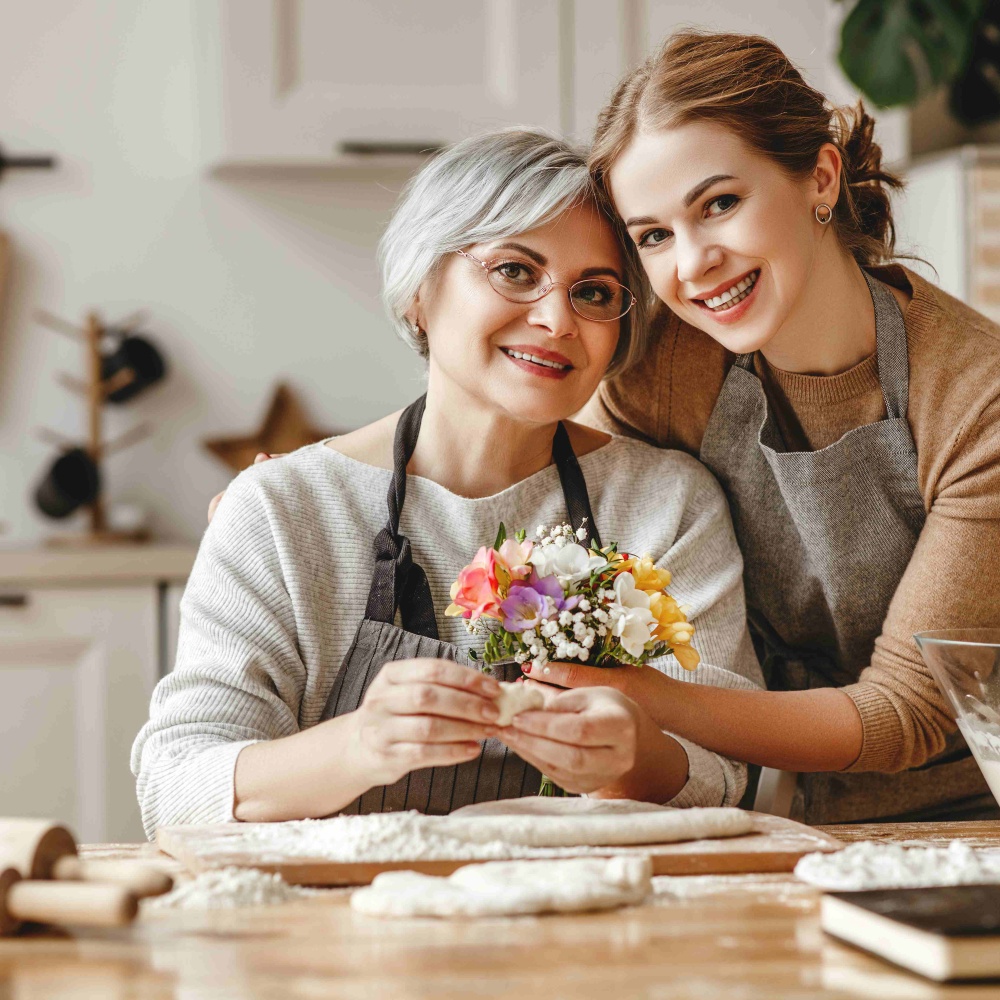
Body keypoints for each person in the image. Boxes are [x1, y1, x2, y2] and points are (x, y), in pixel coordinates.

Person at [132, 129, 762, 838]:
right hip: (340, 933)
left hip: (591, 926)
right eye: (516, 272)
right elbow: (176, 788)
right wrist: (359, 746)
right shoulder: (281, 511)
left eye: (594, 292)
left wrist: (637, 762)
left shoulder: (668, 506)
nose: (558, 320)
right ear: (420, 292)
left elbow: (731, 775)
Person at [531, 30, 1000, 825]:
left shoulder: (975, 400)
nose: (693, 263)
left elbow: (904, 714)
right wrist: (316, 475)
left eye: (719, 204)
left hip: (960, 821)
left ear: (820, 177)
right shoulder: (670, 369)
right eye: (653, 235)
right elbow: (521, 451)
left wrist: (647, 696)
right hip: (760, 811)